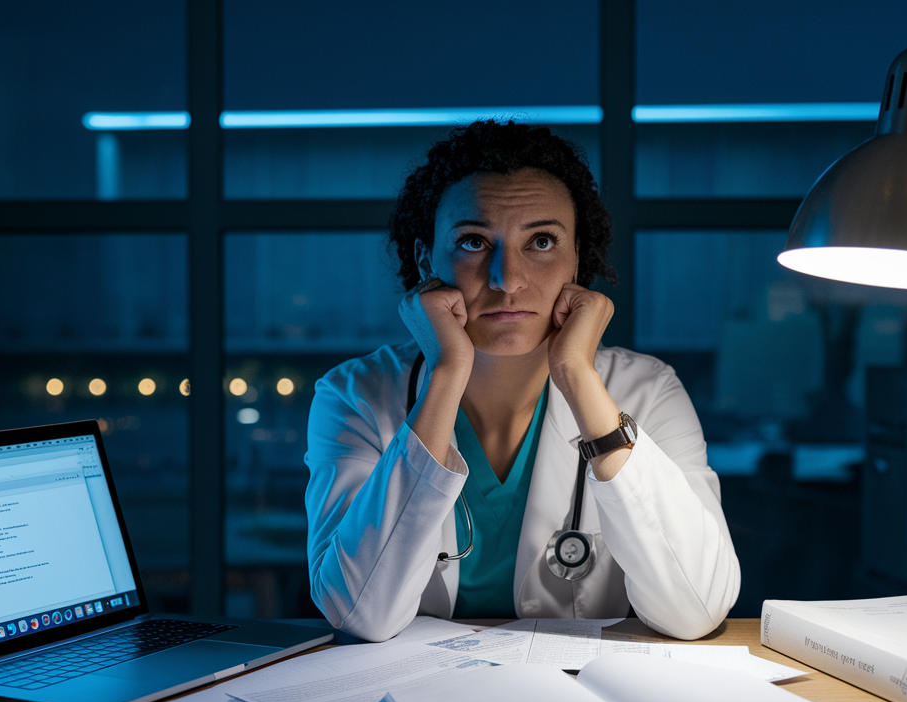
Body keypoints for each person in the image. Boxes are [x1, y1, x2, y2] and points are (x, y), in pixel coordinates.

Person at [304, 120, 739, 642]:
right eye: (472, 241)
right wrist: (446, 373)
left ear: (577, 258)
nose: (506, 279)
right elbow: (357, 614)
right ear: (426, 259)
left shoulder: (648, 390)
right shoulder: (352, 396)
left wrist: (578, 376)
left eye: (541, 241)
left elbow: (696, 608)